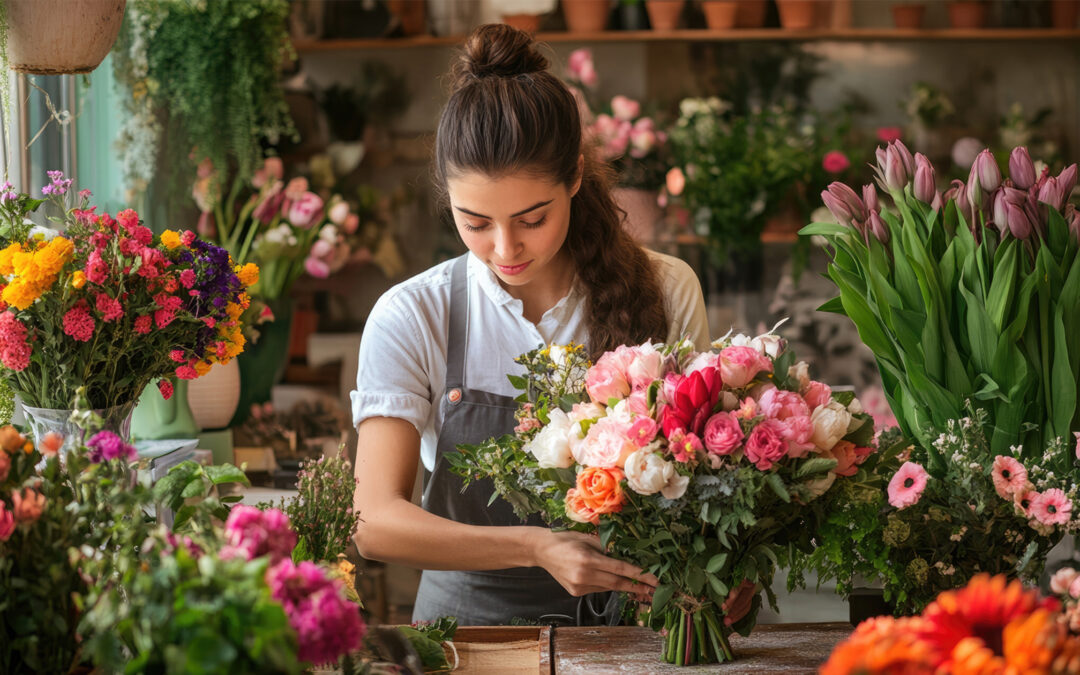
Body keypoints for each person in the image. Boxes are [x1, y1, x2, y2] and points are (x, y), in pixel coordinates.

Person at [351, 23, 717, 626]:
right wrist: (534, 547)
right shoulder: (413, 314)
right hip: (467, 638)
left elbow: (701, 481)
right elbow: (375, 522)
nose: (504, 247)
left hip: (637, 632)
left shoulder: (667, 288)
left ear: (574, 176)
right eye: (475, 223)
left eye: (532, 218)